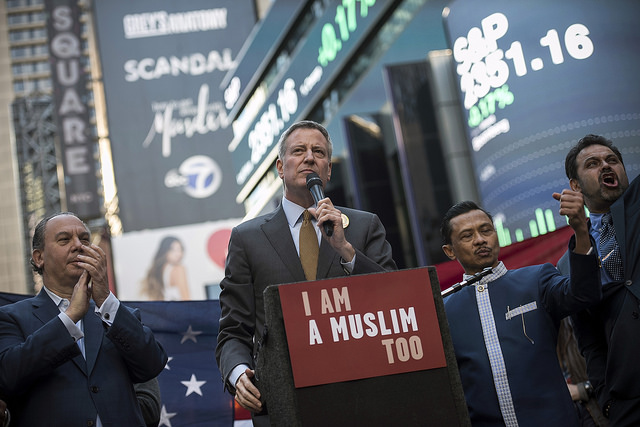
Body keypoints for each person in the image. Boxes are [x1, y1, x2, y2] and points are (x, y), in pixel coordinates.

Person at [215, 120, 397, 425]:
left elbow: (395, 299)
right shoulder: (247, 239)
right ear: (280, 167)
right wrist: (237, 374)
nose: (309, 157)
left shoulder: (364, 226)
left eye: (319, 152)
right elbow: (234, 329)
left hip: (362, 395)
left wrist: (345, 250)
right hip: (286, 402)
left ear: (328, 171)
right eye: (298, 151)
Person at [440, 200, 601, 426]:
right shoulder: (444, 310)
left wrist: (581, 232)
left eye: (486, 230)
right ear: (450, 251)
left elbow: (584, 294)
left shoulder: (537, 279)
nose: (480, 240)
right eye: (467, 236)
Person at [0, 212, 168, 426]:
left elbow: (152, 363)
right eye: (64, 239)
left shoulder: (115, 315)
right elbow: (6, 376)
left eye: (85, 239)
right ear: (39, 257)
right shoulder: (10, 317)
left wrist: (105, 300)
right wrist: (70, 318)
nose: (78, 245)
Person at [557, 134, 640, 426]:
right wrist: (607, 401)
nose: (606, 166)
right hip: (630, 400)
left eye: (612, 160)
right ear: (576, 186)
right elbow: (589, 339)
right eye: (593, 164)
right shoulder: (569, 263)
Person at [141, 236, 190, 300]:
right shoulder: (178, 269)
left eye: (180, 249)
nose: (179, 254)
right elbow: (186, 299)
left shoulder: (160, 271)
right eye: (173, 250)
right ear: (165, 251)